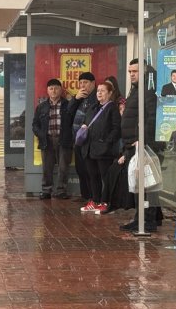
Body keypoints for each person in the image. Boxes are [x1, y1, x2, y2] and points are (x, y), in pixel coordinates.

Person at [119, 58, 162, 232]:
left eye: (134, 71)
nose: (131, 75)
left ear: (144, 72)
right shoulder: (137, 89)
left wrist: (143, 140)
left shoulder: (148, 90)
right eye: (130, 72)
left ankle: (148, 220)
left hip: (144, 145)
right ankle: (143, 218)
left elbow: (151, 118)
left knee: (147, 185)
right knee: (139, 183)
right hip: (133, 144)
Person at [78, 79, 121, 213]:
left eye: (102, 91)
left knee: (105, 177)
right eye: (98, 91)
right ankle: (95, 201)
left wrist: (107, 142)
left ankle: (107, 202)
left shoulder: (112, 108)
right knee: (93, 176)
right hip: (90, 148)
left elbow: (116, 129)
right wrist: (84, 126)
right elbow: (86, 121)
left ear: (109, 93)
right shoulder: (93, 107)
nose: (99, 93)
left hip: (104, 150)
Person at [32, 78, 72, 200]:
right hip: (47, 140)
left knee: (63, 166)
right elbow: (35, 124)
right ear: (47, 91)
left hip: (64, 140)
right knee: (47, 167)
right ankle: (46, 190)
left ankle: (61, 190)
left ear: (61, 90)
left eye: (56, 88)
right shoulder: (41, 107)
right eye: (51, 88)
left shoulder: (68, 105)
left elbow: (73, 123)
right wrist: (41, 135)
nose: (53, 91)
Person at [67, 71, 97, 202]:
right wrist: (75, 99)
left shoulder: (97, 97)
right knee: (80, 169)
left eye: (85, 82)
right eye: (80, 83)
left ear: (93, 84)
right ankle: (85, 195)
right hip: (78, 140)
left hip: (90, 141)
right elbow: (68, 112)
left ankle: (92, 196)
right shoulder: (79, 97)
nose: (82, 85)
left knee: (90, 170)